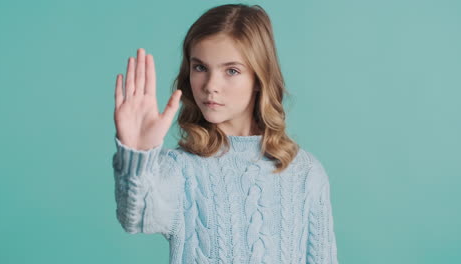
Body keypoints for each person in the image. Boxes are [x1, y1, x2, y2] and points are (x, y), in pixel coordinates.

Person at [112, 3, 338, 264]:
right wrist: (138, 155)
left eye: (231, 70)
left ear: (259, 79)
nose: (210, 86)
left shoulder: (305, 172)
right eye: (200, 67)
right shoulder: (179, 168)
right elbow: (136, 216)